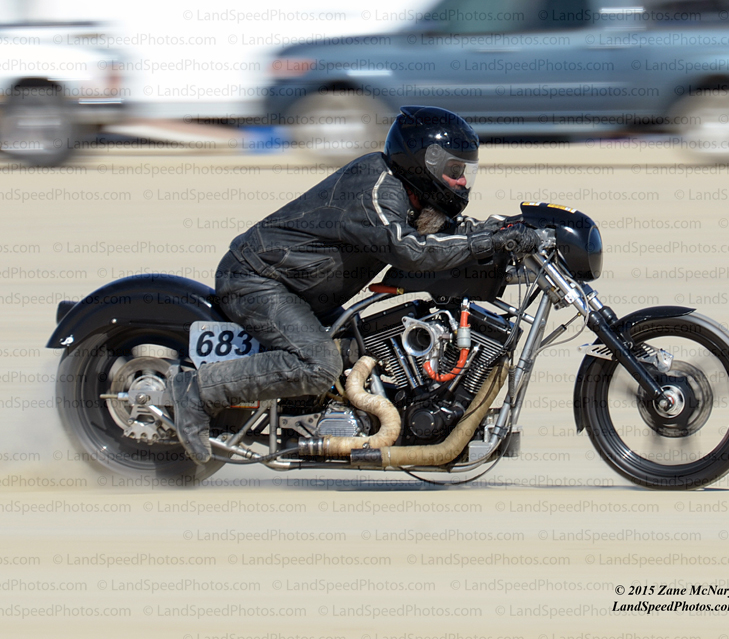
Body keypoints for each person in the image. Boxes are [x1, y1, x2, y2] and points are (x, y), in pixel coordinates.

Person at [166, 105, 539, 463]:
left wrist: (511, 228)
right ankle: (196, 392)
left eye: (465, 171)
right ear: (424, 162)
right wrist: (487, 241)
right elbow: (410, 250)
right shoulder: (375, 189)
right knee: (319, 365)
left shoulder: (414, 196)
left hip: (305, 292)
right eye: (454, 170)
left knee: (365, 351)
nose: (461, 181)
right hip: (259, 280)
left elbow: (453, 232)